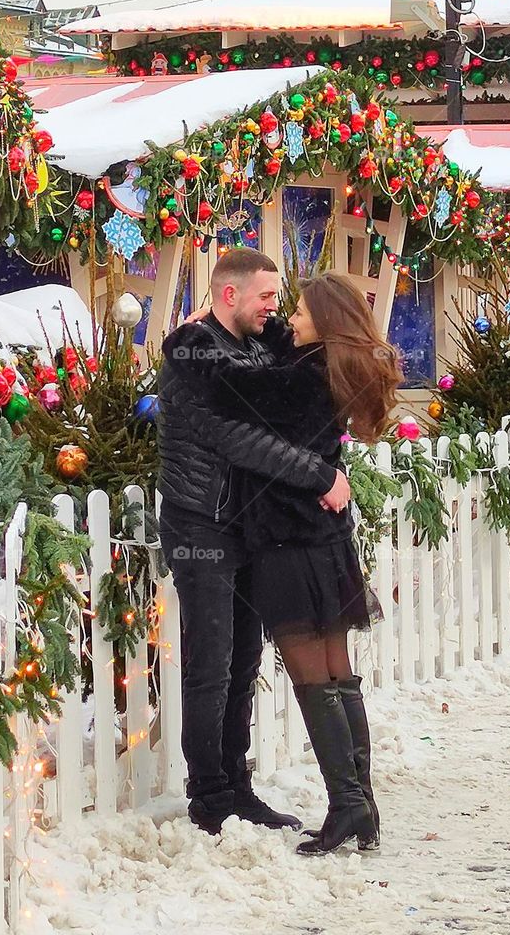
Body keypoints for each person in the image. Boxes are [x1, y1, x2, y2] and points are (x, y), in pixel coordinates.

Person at [156, 250, 352, 835]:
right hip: (201, 523)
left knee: (245, 660)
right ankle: (209, 794)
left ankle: (237, 785)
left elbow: (308, 366)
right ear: (228, 295)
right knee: (211, 663)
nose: (276, 307)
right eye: (266, 296)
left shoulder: (258, 347)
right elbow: (233, 437)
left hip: (250, 527)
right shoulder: (191, 355)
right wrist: (318, 476)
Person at [210, 272, 402, 855]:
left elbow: (227, 396)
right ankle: (359, 805)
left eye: (297, 311)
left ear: (323, 316)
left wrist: (202, 335)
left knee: (312, 675)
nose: (288, 319)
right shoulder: (329, 368)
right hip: (324, 538)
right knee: (338, 673)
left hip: (289, 541)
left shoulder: (299, 378)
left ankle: (347, 806)